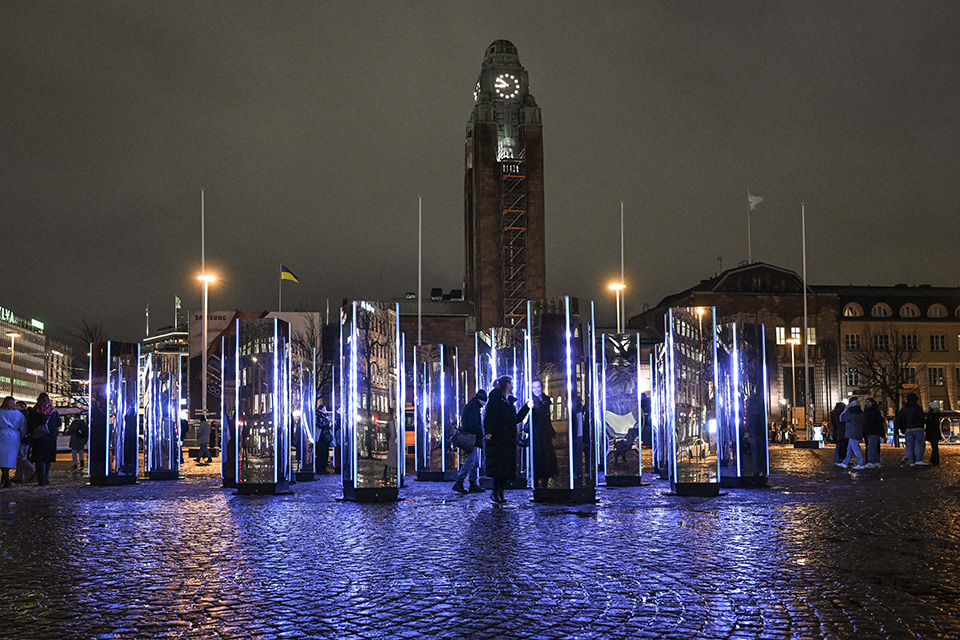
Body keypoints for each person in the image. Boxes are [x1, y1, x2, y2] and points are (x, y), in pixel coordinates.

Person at [482, 376, 530, 504]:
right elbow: (489, 416)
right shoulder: (496, 399)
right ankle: (496, 492)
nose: (513, 386)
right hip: (498, 438)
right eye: (511, 383)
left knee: (504, 468)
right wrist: (488, 432)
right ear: (507, 385)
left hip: (507, 439)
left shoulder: (508, 401)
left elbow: (516, 419)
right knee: (499, 467)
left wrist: (526, 407)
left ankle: (500, 492)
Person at [452, 389, 487, 494]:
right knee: (471, 461)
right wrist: (481, 434)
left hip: (470, 438)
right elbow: (473, 424)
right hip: (472, 438)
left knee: (474, 461)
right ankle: (460, 481)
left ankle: (472, 483)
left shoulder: (471, 406)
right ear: (481, 400)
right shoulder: (474, 408)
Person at [27, 393, 61, 486]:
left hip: (39, 438)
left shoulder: (35, 412)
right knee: (47, 459)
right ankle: (46, 478)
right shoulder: (54, 412)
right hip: (51, 438)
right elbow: (59, 423)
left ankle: (41, 480)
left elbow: (30, 425)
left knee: (39, 459)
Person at [530, 380, 558, 488]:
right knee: (538, 456)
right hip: (536, 432)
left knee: (547, 456)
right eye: (534, 387)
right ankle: (536, 480)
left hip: (545, 433)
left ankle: (545, 478)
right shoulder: (532, 401)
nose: (536, 389)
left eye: (538, 387)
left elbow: (548, 418)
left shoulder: (546, 400)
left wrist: (551, 431)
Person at [0, 397, 27, 488]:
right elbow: (23, 427)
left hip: (1, 435)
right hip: (13, 436)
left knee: (2, 457)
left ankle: (5, 476)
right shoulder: (18, 414)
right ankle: (6, 476)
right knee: (9, 457)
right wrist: (20, 436)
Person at [898, 393, 928, 466]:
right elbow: (921, 417)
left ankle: (912, 461)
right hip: (918, 428)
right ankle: (919, 459)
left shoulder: (904, 408)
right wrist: (923, 422)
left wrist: (903, 428)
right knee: (920, 444)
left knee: (910, 446)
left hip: (908, 429)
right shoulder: (917, 407)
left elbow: (901, 419)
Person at [837, 397, 866, 470]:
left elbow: (841, 418)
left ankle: (861, 463)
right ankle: (845, 463)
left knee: (856, 448)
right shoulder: (860, 411)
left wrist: (845, 409)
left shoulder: (851, 411)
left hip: (852, 432)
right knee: (850, 449)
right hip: (857, 431)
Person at [862, 398, 885, 468]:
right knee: (873, 447)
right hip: (869, 431)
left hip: (873, 430)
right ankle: (876, 461)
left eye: (868, 402)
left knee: (871, 447)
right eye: (866, 402)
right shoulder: (869, 411)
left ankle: (871, 461)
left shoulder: (874, 411)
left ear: (872, 403)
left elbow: (878, 421)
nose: (866, 404)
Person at [925, 401, 942, 466]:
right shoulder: (936, 416)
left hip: (933, 434)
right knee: (935, 448)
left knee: (934, 448)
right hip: (935, 434)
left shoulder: (932, 416)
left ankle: (934, 460)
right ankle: (934, 460)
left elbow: (930, 425)